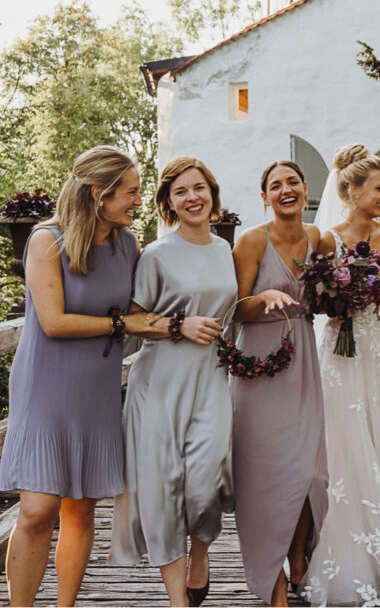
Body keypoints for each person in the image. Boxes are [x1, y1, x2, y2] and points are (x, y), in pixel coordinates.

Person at [0, 145, 164, 606]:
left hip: (96, 389)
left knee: (80, 510)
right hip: (44, 387)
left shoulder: (127, 245)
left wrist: (178, 319)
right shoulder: (45, 241)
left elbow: (137, 307)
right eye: (130, 192)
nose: (138, 200)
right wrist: (123, 324)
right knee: (37, 511)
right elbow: (53, 321)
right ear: (98, 194)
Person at [110, 156, 237, 608]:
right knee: (161, 489)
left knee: (206, 482)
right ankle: (176, 600)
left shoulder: (224, 249)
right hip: (159, 384)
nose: (192, 197)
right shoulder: (156, 255)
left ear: (212, 193)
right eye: (180, 191)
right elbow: (131, 319)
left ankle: (200, 553)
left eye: (198, 188)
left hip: (211, 379)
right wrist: (179, 324)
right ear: (168, 201)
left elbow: (235, 309)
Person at [301, 143, 380, 606]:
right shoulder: (326, 240)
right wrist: (339, 305)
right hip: (342, 356)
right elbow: (316, 303)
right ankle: (352, 559)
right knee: (347, 454)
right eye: (379, 189)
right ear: (351, 191)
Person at [229, 160, 329, 606]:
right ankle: (272, 580)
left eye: (292, 182)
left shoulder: (318, 238)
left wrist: (342, 296)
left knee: (308, 472)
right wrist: (263, 298)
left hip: (304, 359)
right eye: (275, 185)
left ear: (305, 188)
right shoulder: (252, 240)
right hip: (260, 364)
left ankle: (298, 558)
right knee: (264, 475)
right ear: (264, 196)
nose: (285, 189)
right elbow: (235, 308)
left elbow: (321, 303)